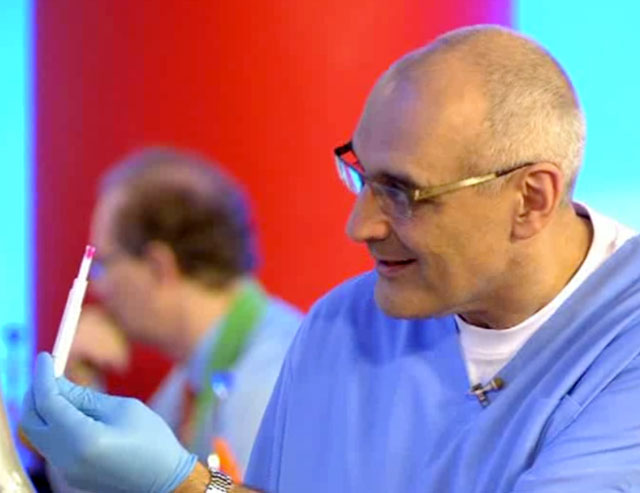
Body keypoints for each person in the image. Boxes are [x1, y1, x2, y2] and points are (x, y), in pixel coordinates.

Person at [21, 24, 640, 493]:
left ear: (531, 199)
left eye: (402, 193)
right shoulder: (340, 329)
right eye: (360, 177)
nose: (359, 226)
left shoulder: (622, 347)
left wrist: (183, 485)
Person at [47, 147, 303, 488]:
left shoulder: (268, 377)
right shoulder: (193, 376)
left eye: (105, 263)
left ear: (158, 266)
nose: (98, 288)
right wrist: (79, 387)